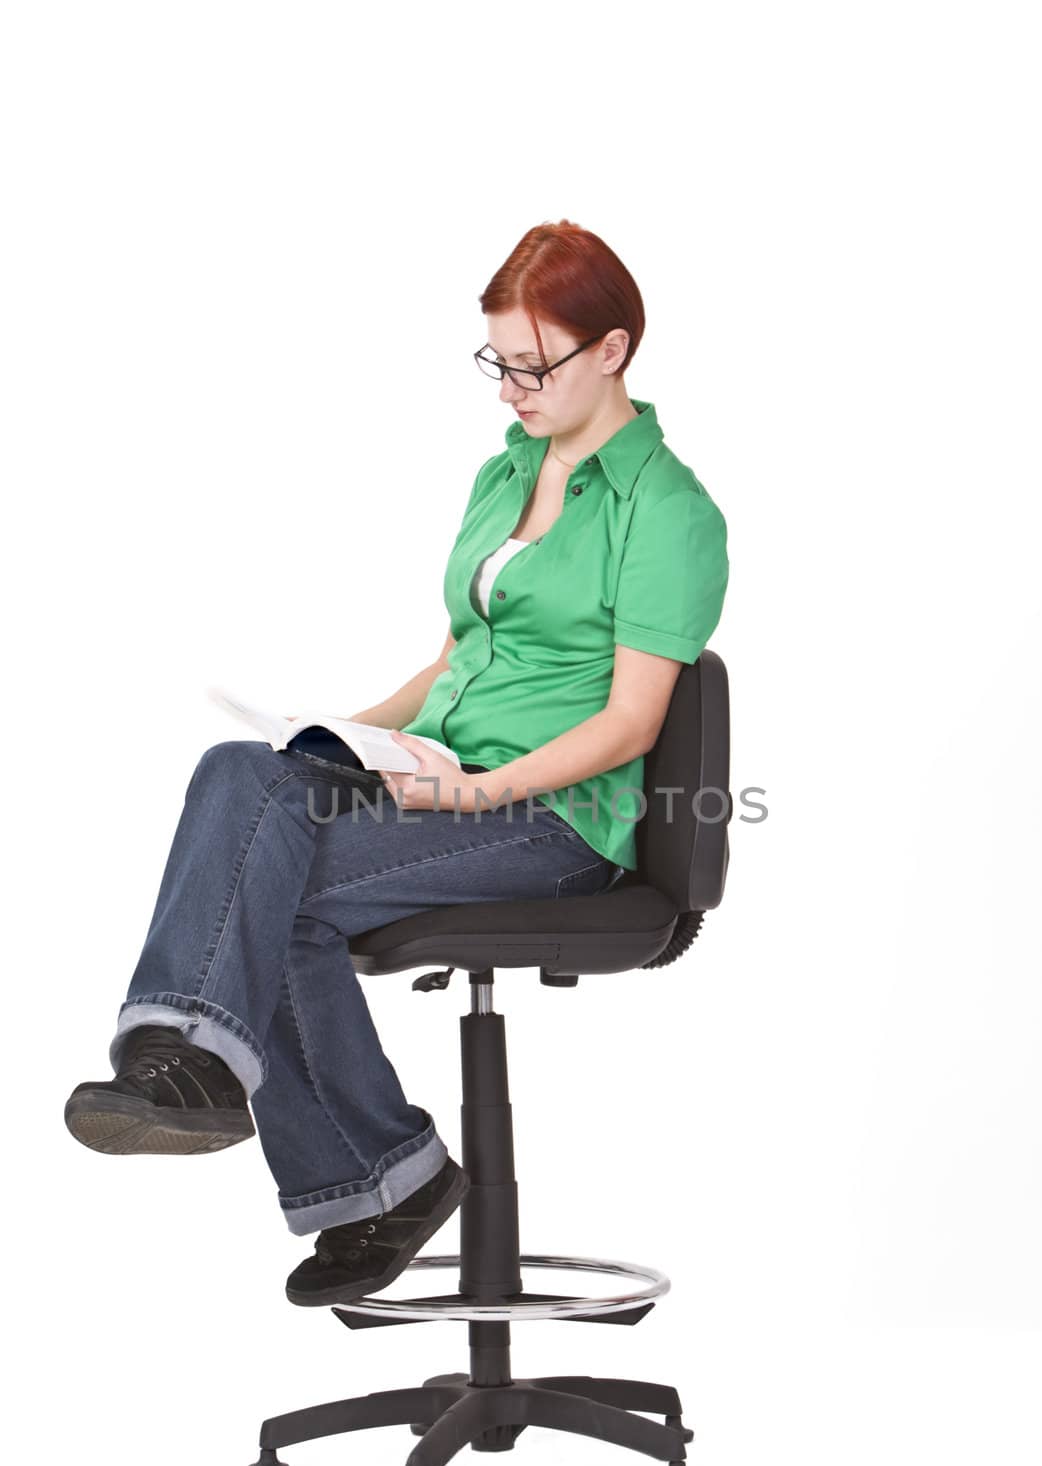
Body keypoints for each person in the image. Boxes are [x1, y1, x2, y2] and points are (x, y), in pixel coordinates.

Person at [63, 217, 729, 1309]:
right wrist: (341, 735)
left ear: (610, 349)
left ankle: (351, 1161)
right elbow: (458, 652)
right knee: (243, 773)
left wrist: (478, 787)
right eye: (498, 363)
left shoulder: (667, 513)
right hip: (442, 783)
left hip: (556, 823)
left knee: (266, 891)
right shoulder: (502, 476)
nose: (510, 389)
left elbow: (631, 723)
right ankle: (191, 1068)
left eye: (533, 365)